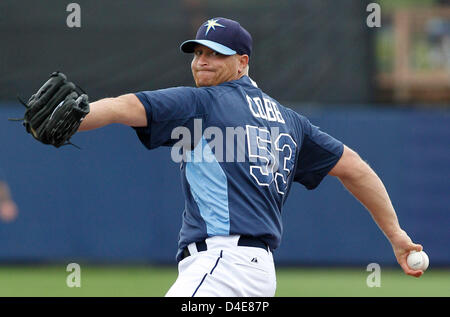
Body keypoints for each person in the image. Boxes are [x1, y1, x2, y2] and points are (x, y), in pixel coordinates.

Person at [77, 17, 424, 297]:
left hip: (221, 265)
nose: (202, 62)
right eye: (198, 53)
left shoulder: (204, 102)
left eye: (215, 54)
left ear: (242, 62)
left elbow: (125, 107)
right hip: (258, 273)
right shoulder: (290, 121)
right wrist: (395, 234)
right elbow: (356, 169)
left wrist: (75, 118)